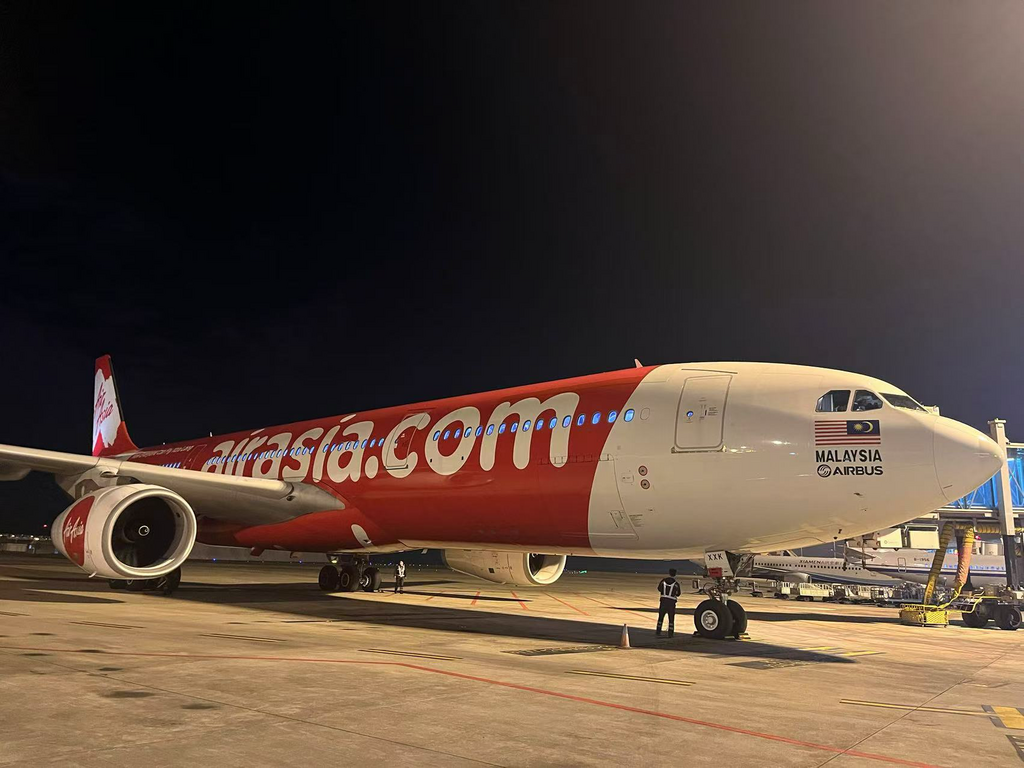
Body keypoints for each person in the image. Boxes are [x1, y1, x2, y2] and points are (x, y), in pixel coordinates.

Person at [656, 568, 681, 637]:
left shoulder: (663, 581)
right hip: (671, 603)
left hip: (663, 601)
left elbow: (659, 589)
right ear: (675, 574)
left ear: (669, 573)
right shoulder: (676, 584)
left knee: (660, 617)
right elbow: (678, 593)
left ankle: (658, 631)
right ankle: (670, 633)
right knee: (671, 619)